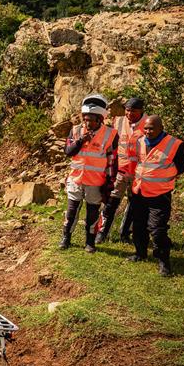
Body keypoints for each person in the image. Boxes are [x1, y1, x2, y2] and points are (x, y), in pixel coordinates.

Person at [129, 115, 184, 276]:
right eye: (146, 128)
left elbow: (183, 165)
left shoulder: (175, 144)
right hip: (139, 191)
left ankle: (164, 262)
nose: (148, 131)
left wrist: (165, 175)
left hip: (160, 194)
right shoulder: (140, 141)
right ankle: (140, 253)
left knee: (157, 229)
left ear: (161, 128)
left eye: (151, 128)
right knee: (138, 226)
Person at [60, 94, 119, 253]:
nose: (87, 123)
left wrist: (110, 183)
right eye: (85, 119)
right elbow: (68, 152)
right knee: (72, 211)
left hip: (96, 181)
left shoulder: (111, 134)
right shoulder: (76, 130)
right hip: (76, 179)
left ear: (100, 119)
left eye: (91, 120)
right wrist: (80, 141)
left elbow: (112, 161)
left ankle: (90, 242)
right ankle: (66, 237)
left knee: (92, 214)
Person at [97, 97, 146, 244]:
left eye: (134, 111)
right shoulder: (118, 121)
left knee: (134, 205)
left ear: (142, 111)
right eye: (128, 110)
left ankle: (125, 234)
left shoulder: (148, 123)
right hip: (120, 171)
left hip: (138, 173)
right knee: (111, 203)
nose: (129, 114)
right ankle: (101, 232)